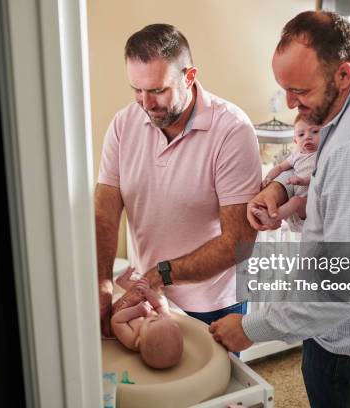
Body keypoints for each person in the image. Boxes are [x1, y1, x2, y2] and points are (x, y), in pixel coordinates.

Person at [209, 11, 350, 408]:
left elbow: (346, 287)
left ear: (343, 74)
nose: (290, 104)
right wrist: (281, 188)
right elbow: (327, 180)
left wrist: (252, 327)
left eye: (299, 91)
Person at [95, 24, 261, 337]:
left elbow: (237, 243)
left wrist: (161, 274)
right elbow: (105, 208)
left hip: (212, 302)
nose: (146, 103)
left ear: (189, 76)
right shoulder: (123, 123)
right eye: (137, 90)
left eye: (157, 90)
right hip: (150, 295)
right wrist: (102, 280)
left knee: (218, 385)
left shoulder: (232, 131)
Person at [254, 116, 321, 231]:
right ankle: (271, 214)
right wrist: (269, 177)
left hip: (314, 202)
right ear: (295, 141)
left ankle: (273, 218)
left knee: (295, 201)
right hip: (299, 208)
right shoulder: (296, 155)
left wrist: (303, 181)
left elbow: (321, 176)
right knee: (289, 200)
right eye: (301, 135)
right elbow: (280, 167)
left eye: (314, 132)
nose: (308, 137)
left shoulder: (321, 154)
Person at [111, 275, 183, 369]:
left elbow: (117, 321)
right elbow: (161, 305)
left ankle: (122, 283)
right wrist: (148, 292)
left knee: (125, 297)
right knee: (145, 292)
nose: (160, 316)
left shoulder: (131, 339)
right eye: (166, 320)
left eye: (152, 321)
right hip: (144, 300)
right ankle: (125, 283)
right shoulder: (164, 320)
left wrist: (136, 311)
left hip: (123, 305)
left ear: (139, 341)